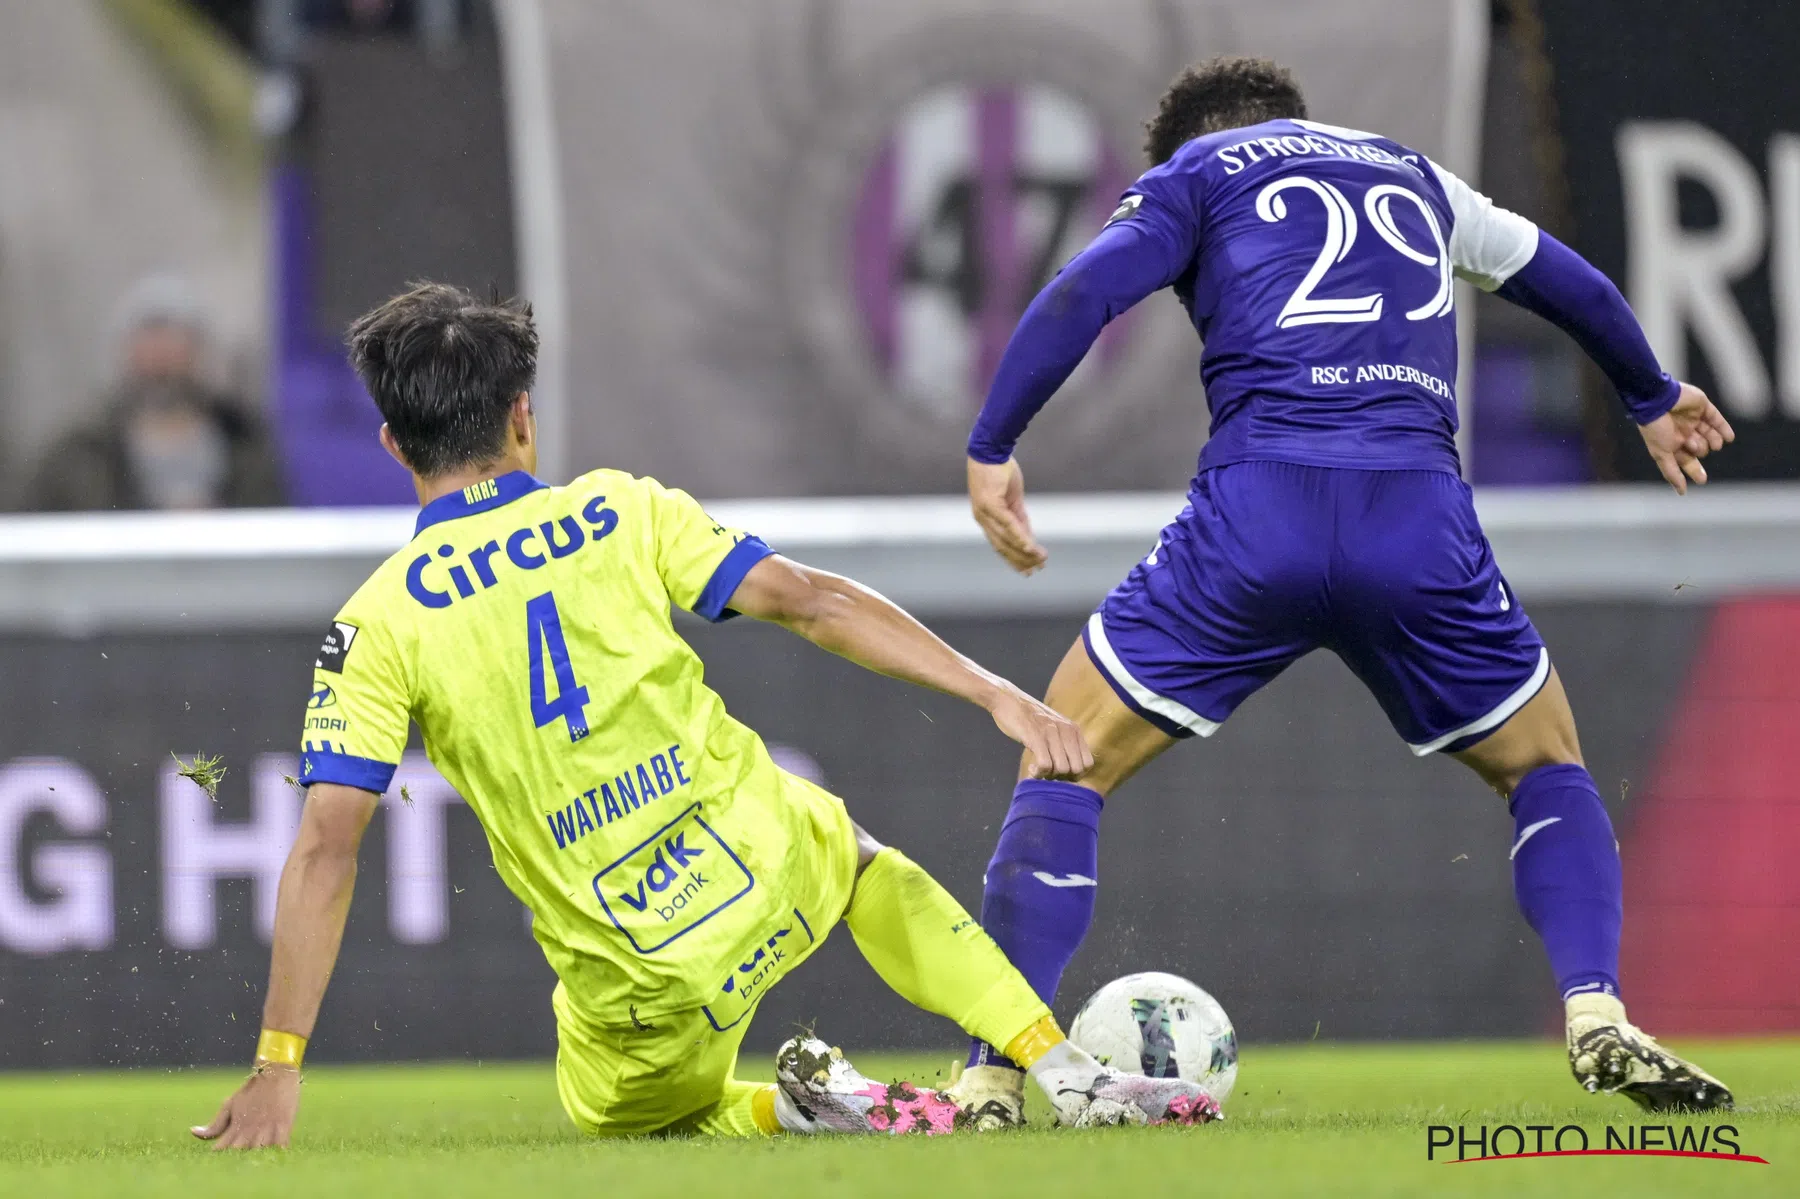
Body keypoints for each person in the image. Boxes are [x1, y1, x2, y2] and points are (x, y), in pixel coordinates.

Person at [190, 283, 1221, 1149]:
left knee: (617, 1109)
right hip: (764, 870)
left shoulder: (379, 619)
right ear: (521, 415)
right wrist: (995, 692)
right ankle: (1060, 1063)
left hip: (640, 984)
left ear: (389, 441)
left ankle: (810, 1109)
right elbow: (812, 600)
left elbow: (327, 846)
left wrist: (278, 1061)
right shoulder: (618, 508)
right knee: (855, 853)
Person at [948, 57, 1737, 1125]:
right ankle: (1595, 1007)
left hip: (1254, 517)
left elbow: (1085, 289)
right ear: (1296, 124)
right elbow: (1570, 281)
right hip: (1416, 520)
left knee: (1063, 754)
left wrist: (994, 441)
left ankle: (996, 1070)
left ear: (1187, 141)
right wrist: (1649, 393)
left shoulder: (1196, 173)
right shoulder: (1410, 176)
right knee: (1548, 764)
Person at [25, 275, 283, 511]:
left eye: (173, 342)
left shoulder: (245, 444)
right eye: (148, 341)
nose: (159, 359)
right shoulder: (80, 455)